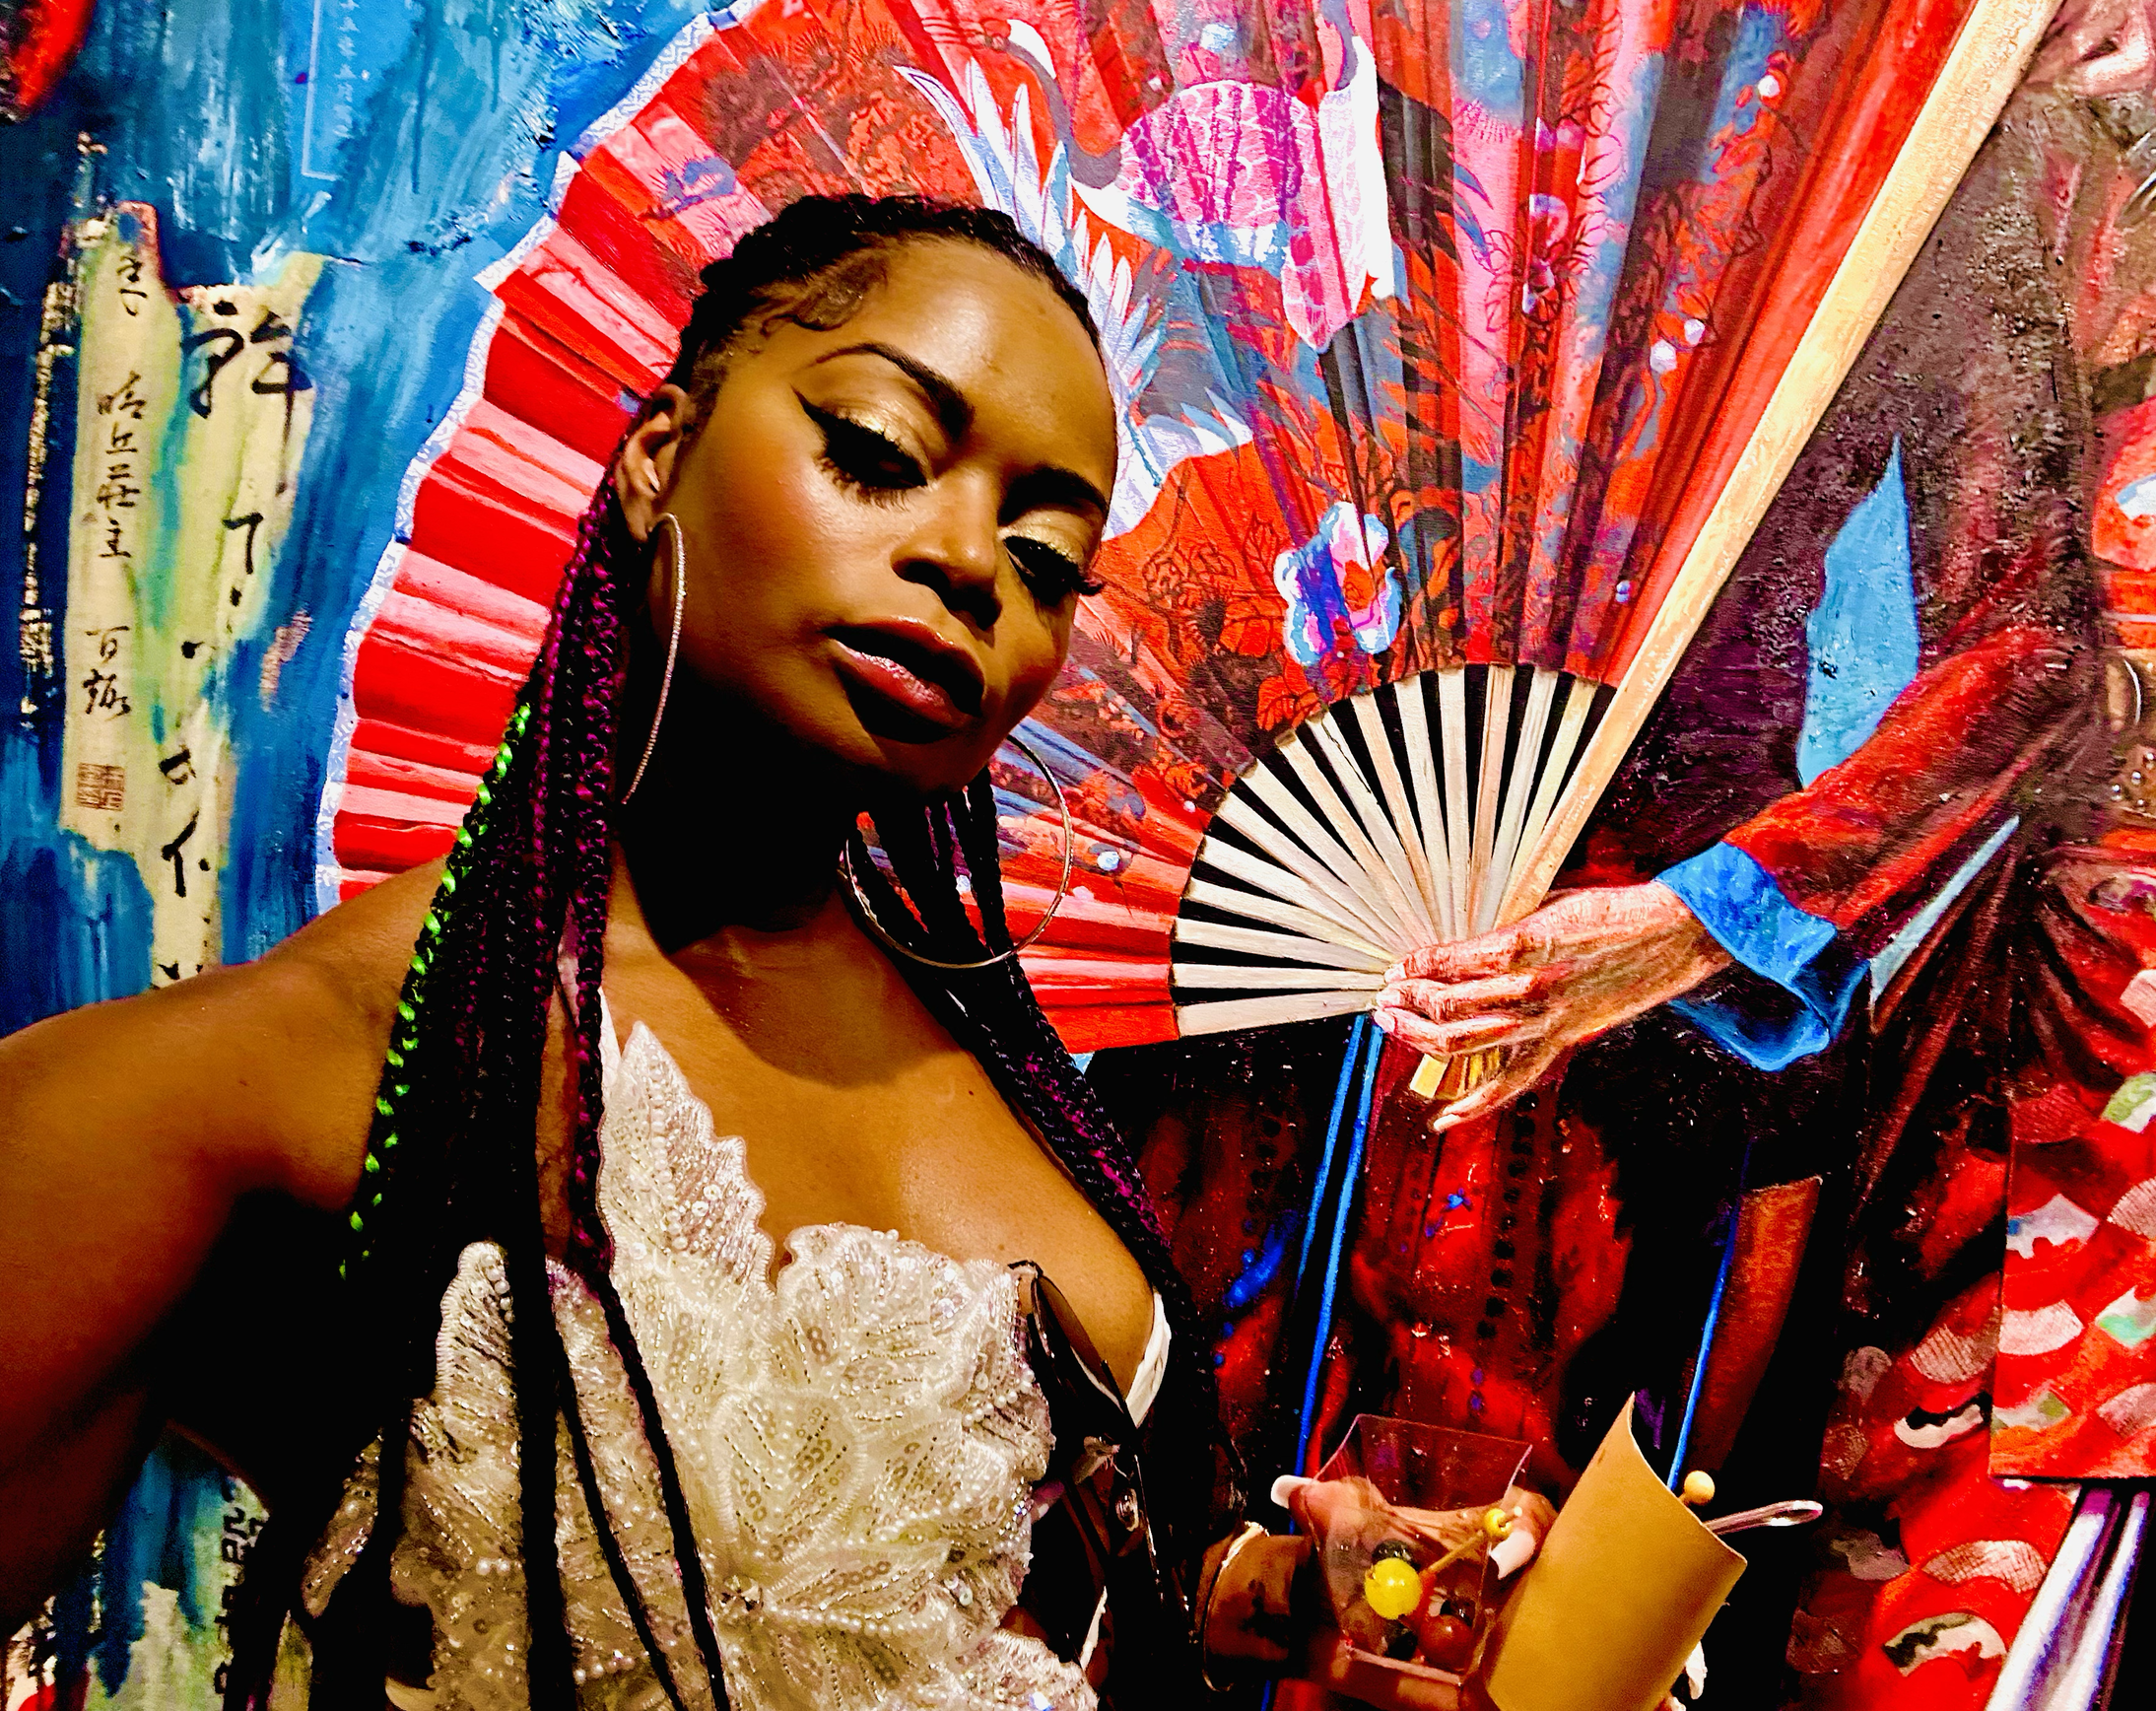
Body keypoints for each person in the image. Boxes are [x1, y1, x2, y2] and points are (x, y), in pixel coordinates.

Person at [0, 194, 1547, 1710]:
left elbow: (944, 1580)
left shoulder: (1000, 1048)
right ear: (656, 455)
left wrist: (1265, 1588)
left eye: (1046, 558)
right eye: (876, 452)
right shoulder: (286, 1077)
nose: (970, 562)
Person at [1375, 4, 2156, 1707]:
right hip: (2032, 969)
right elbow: (2014, 622)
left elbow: (2026, 644)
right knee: (1907, 1578)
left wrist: (1702, 919)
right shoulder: (2089, 91)